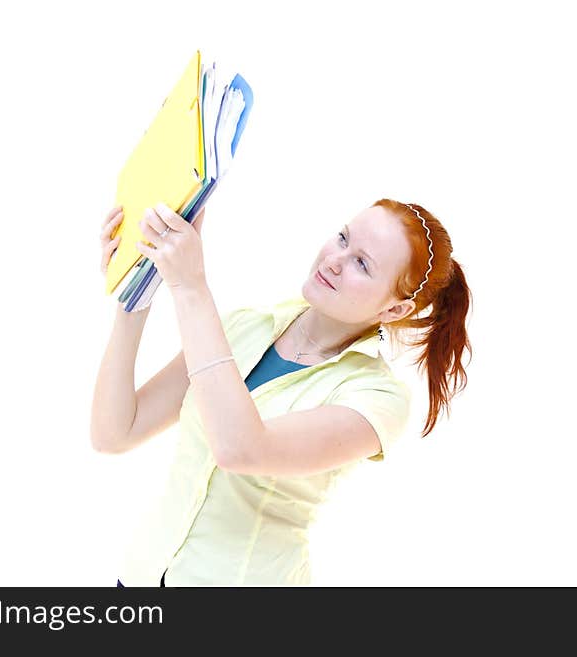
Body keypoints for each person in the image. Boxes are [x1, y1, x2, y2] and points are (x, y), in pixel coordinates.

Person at [91, 198, 472, 586]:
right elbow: (116, 432)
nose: (334, 261)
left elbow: (241, 449)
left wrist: (190, 285)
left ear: (393, 311)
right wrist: (134, 294)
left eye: (362, 263)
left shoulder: (376, 397)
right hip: (140, 577)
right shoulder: (244, 328)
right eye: (342, 238)